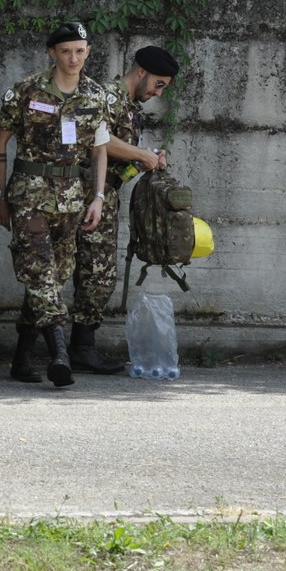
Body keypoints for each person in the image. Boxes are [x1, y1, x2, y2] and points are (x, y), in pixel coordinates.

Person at [0, 21, 112, 388]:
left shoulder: (96, 96)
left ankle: (21, 358)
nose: (73, 58)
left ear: (88, 52)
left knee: (52, 276)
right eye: (65, 51)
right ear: (52, 53)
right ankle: (60, 354)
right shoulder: (27, 91)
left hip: (73, 199)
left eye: (79, 50)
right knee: (41, 273)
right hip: (30, 193)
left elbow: (99, 150)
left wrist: (98, 196)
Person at [70, 44, 180, 372]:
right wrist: (141, 154)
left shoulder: (127, 105)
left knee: (96, 275)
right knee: (95, 275)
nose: (158, 92)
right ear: (141, 72)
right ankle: (75, 349)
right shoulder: (108, 96)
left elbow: (118, 150)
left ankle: (78, 347)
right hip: (86, 195)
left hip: (104, 195)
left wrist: (145, 158)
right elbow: (94, 138)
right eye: (158, 84)